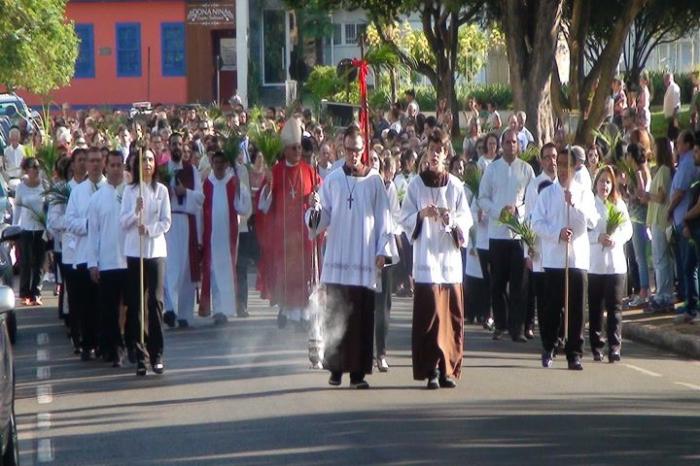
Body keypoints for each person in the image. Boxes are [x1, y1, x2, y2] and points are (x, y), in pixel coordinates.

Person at [307, 126, 394, 389]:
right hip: (338, 258)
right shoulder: (332, 180)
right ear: (342, 149)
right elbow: (321, 219)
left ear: (363, 150)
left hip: (363, 258)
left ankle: (357, 373)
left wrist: (382, 251)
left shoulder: (375, 181)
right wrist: (314, 209)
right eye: (348, 149)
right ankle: (335, 369)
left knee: (361, 316)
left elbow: (384, 220)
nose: (353, 154)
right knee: (336, 314)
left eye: (357, 150)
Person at [400, 128, 472, 389]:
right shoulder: (416, 185)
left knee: (450, 316)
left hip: (449, 260)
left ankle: (447, 369)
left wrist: (450, 219)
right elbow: (405, 217)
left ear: (446, 153)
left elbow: (466, 218)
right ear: (426, 152)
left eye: (440, 150)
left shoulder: (455, 186)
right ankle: (430, 369)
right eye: (432, 150)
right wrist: (421, 215)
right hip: (427, 259)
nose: (435, 155)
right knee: (429, 314)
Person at [532, 148, 598, 370]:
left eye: (565, 165)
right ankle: (549, 345)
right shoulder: (546, 194)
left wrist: (574, 204)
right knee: (551, 307)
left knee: (576, 309)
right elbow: (537, 223)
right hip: (553, 259)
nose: (561, 169)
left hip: (577, 259)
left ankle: (574, 353)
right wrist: (557, 233)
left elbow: (591, 222)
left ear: (573, 167)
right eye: (558, 164)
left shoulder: (583, 193)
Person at [258, 117, 320, 328]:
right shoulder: (276, 171)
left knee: (303, 273)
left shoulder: (309, 170)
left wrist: (315, 200)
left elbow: (318, 196)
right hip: (283, 232)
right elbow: (264, 205)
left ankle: (303, 313)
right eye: (294, 148)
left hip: (303, 233)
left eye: (300, 147)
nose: (298, 151)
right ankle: (286, 310)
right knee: (285, 271)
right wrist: (267, 186)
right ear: (285, 150)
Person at [479, 129, 535, 342]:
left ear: (519, 145)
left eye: (514, 142)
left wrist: (518, 210)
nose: (511, 145)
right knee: (498, 283)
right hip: (496, 234)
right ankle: (500, 324)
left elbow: (532, 200)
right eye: (508, 142)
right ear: (502, 144)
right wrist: (497, 211)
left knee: (519, 284)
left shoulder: (527, 170)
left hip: (518, 236)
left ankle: (517, 328)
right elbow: (482, 198)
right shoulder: (492, 170)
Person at [120, 149, 172, 376]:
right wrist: (135, 212)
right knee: (137, 305)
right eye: (144, 160)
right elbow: (123, 222)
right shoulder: (130, 191)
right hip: (135, 251)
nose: (148, 164)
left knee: (156, 302)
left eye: (151, 160)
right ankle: (140, 354)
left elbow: (166, 221)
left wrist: (149, 229)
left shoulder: (161, 191)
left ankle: (157, 353)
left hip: (156, 251)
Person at [199, 151, 252, 324]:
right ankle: (218, 309)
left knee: (227, 272)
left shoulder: (233, 183)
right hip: (212, 236)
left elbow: (243, 209)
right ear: (212, 164)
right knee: (213, 271)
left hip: (229, 237)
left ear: (226, 165)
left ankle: (227, 308)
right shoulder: (207, 184)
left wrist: (239, 192)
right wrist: (200, 238)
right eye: (216, 162)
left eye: (222, 162)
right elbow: (200, 211)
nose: (219, 166)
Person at [64, 147, 106, 360]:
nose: (95, 165)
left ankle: (103, 343)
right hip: (82, 255)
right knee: (85, 304)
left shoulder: (111, 190)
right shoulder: (78, 193)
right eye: (92, 161)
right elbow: (69, 222)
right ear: (86, 165)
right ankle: (88, 343)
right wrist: (89, 224)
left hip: (106, 257)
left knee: (103, 304)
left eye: (99, 160)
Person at [87, 150, 128, 367]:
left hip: (128, 260)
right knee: (110, 310)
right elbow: (93, 233)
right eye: (111, 165)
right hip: (107, 262)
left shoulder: (131, 193)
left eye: (118, 165)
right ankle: (114, 349)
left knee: (130, 308)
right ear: (106, 166)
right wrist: (93, 263)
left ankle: (133, 346)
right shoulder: (97, 198)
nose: (115, 169)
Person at [588, 166, 633, 362]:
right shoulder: (589, 205)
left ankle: (614, 347)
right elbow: (582, 231)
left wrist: (616, 238)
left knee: (615, 307)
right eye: (601, 181)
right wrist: (597, 237)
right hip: (595, 265)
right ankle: (597, 345)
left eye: (608, 182)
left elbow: (627, 229)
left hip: (615, 265)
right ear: (595, 183)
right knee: (596, 307)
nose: (604, 185)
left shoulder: (618, 204)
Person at [162, 132, 203, 329]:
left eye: (179, 144)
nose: (177, 147)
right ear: (169, 147)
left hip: (185, 221)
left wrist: (184, 192)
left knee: (186, 268)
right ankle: (170, 309)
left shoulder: (191, 170)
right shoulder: (162, 171)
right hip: (168, 222)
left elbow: (200, 198)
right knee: (170, 266)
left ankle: (184, 314)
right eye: (173, 144)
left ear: (183, 146)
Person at [523, 143, 558, 341]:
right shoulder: (534, 186)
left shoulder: (564, 185)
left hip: (560, 250)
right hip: (540, 250)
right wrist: (527, 250)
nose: (551, 161)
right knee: (543, 298)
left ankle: (558, 336)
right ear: (541, 160)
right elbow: (528, 219)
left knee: (557, 297)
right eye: (547, 157)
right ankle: (547, 338)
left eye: (554, 157)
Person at [643, 137, 675, 311]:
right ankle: (665, 293)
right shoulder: (662, 170)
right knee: (661, 258)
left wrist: (648, 195)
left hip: (660, 219)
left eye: (655, 148)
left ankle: (664, 295)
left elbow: (661, 197)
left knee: (660, 258)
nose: (652, 151)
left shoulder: (663, 170)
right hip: (657, 218)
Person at [375, 155, 401, 372]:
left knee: (383, 305)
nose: (374, 162)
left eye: (377, 159)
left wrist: (383, 240)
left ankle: (381, 352)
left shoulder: (389, 187)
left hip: (385, 253)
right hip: (363, 253)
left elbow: (395, 217)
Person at [13, 157, 46, 306]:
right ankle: (25, 294)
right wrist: (14, 228)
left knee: (39, 263)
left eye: (38, 167)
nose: (36, 169)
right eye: (33, 167)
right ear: (27, 169)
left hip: (41, 229)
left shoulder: (44, 185)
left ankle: (36, 293)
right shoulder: (21, 187)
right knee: (25, 263)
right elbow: (18, 208)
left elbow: (48, 208)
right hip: (26, 229)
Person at [626, 143, 651, 306]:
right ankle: (644, 289)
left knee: (640, 257)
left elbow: (642, 195)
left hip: (639, 218)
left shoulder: (639, 171)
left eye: (628, 155)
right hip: (638, 217)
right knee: (640, 256)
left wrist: (632, 195)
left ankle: (644, 291)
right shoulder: (643, 170)